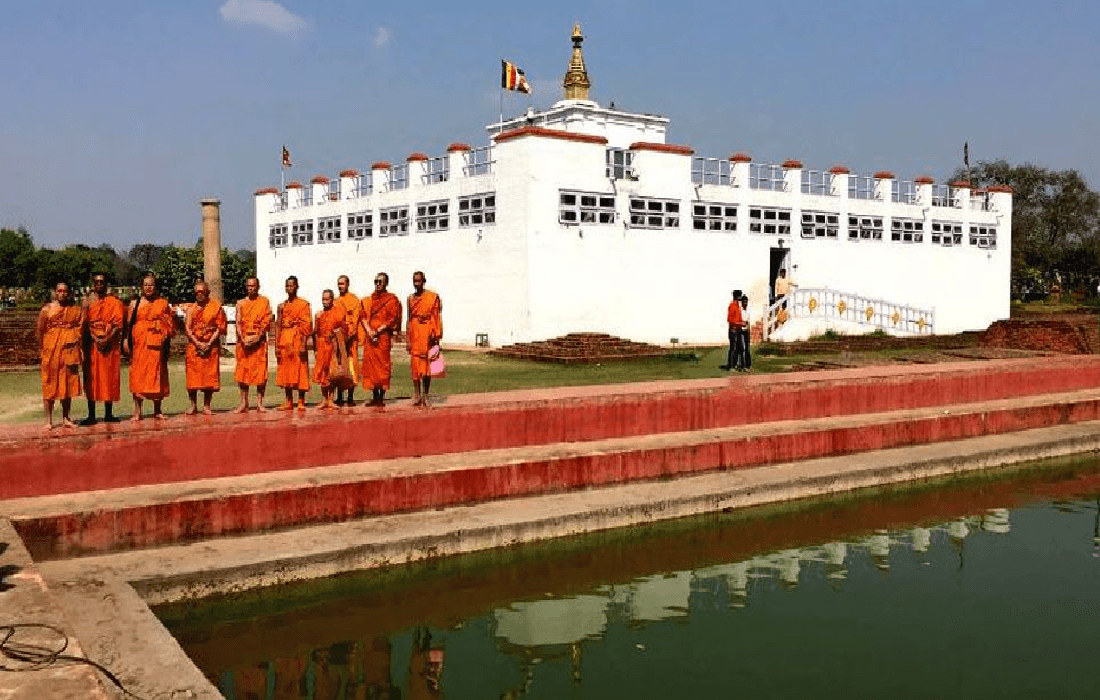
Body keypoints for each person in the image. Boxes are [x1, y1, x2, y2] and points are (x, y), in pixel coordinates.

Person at [125, 273, 174, 421]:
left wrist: (163, 334)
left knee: (157, 376)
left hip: (157, 346)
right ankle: (137, 411)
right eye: (146, 285)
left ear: (155, 286)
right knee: (138, 376)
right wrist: (126, 342)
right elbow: (129, 325)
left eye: (151, 285)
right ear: (141, 287)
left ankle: (157, 410)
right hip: (140, 345)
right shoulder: (135, 304)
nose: (148, 287)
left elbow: (170, 325)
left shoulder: (163, 303)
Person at [37, 281, 84, 429]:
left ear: (68, 293)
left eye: (65, 291)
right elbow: (40, 330)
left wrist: (72, 337)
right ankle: (48, 420)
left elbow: (80, 327)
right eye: (60, 291)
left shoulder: (74, 310)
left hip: (68, 350)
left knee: (67, 384)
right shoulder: (47, 310)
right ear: (55, 292)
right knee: (49, 384)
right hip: (51, 351)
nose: (62, 293)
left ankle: (66, 418)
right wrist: (43, 349)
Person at [81, 273, 124, 424]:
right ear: (93, 285)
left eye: (102, 282)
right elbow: (84, 324)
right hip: (92, 346)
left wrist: (106, 339)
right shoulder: (87, 303)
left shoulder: (114, 302)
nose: (99, 285)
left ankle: (108, 413)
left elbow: (118, 324)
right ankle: (91, 415)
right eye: (97, 282)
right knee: (91, 379)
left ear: (106, 285)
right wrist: (95, 338)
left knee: (109, 377)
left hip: (109, 345)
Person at [183, 280, 227, 415]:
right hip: (194, 346)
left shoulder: (216, 307)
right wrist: (198, 343)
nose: (199, 295)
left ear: (207, 292)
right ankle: (193, 405)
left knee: (209, 377)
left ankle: (207, 406)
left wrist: (208, 344)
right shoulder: (191, 308)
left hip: (211, 345)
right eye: (197, 293)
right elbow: (188, 328)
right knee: (192, 378)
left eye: (202, 292)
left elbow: (220, 327)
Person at [359, 272, 402, 407]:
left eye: (380, 282)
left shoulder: (391, 299)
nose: (377, 284)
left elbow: (392, 319)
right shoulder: (369, 299)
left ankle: (381, 398)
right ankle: (374, 396)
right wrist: (369, 331)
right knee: (371, 367)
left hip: (382, 336)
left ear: (386, 283)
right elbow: (363, 316)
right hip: (370, 336)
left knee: (382, 366)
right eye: (375, 281)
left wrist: (377, 331)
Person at [234, 277, 273, 413]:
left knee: (260, 373)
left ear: (258, 287)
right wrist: (243, 338)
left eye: (253, 286)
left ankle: (259, 403)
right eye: (249, 286)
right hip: (243, 342)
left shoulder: (264, 301)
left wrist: (257, 337)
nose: (251, 288)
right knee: (242, 373)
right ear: (246, 287)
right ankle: (243, 402)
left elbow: (267, 321)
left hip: (259, 342)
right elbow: (238, 322)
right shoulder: (240, 303)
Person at [275, 275, 312, 411]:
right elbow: (278, 325)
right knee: (286, 370)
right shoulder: (281, 306)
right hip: (285, 338)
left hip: (297, 338)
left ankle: (301, 400)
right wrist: (277, 345)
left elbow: (307, 325)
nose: (289, 288)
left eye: (292, 285)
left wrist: (303, 344)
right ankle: (288, 400)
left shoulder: (303, 304)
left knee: (301, 369)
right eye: (287, 286)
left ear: (297, 287)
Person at [406, 271, 442, 407]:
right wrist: (408, 339)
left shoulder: (433, 297)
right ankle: (416, 395)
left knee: (427, 366)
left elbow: (437, 315)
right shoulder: (410, 298)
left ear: (424, 281)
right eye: (414, 281)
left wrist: (436, 334)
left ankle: (426, 395)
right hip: (415, 332)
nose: (416, 284)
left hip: (428, 332)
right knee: (415, 366)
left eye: (419, 281)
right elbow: (408, 319)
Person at [312, 289, 348, 410]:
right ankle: (324, 399)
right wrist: (315, 349)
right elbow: (316, 333)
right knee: (322, 373)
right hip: (322, 345)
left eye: (327, 299)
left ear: (332, 300)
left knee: (331, 373)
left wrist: (336, 342)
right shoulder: (318, 314)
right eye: (323, 299)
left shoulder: (338, 313)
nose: (325, 302)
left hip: (333, 346)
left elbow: (343, 331)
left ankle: (331, 400)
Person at [333, 275, 360, 407]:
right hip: (339, 339)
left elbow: (355, 320)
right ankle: (339, 397)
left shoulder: (354, 300)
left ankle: (350, 396)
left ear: (348, 284)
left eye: (342, 284)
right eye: (338, 284)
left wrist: (350, 335)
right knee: (340, 366)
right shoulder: (335, 301)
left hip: (351, 339)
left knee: (351, 366)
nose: (340, 286)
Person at [722, 289, 743, 371]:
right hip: (733, 329)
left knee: (738, 348)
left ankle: (735, 363)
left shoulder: (738, 306)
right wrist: (739, 323)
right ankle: (731, 365)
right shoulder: (732, 306)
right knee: (733, 348)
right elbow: (730, 320)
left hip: (738, 329)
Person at [738, 294, 752, 372]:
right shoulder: (740, 311)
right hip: (741, 330)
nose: (745, 304)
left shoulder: (747, 312)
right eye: (744, 302)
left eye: (746, 302)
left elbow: (748, 322)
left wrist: (749, 331)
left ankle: (747, 364)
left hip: (746, 330)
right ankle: (742, 365)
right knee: (742, 348)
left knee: (746, 348)